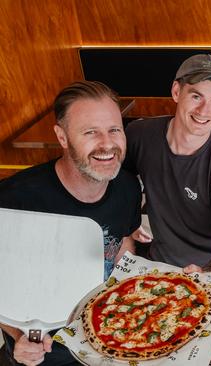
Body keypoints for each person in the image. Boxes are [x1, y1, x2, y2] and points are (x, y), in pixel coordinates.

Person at [0, 81, 142, 366]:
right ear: (62, 137)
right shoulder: (14, 199)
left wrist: (130, 293)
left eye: (114, 130)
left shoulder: (127, 187)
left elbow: (123, 241)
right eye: (90, 132)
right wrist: (17, 336)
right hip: (45, 348)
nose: (107, 144)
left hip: (107, 338)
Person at [123, 54, 211, 365]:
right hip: (156, 267)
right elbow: (115, 183)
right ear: (176, 92)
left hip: (210, 277)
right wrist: (127, 219)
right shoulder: (140, 134)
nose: (205, 111)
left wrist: (204, 274)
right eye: (196, 96)